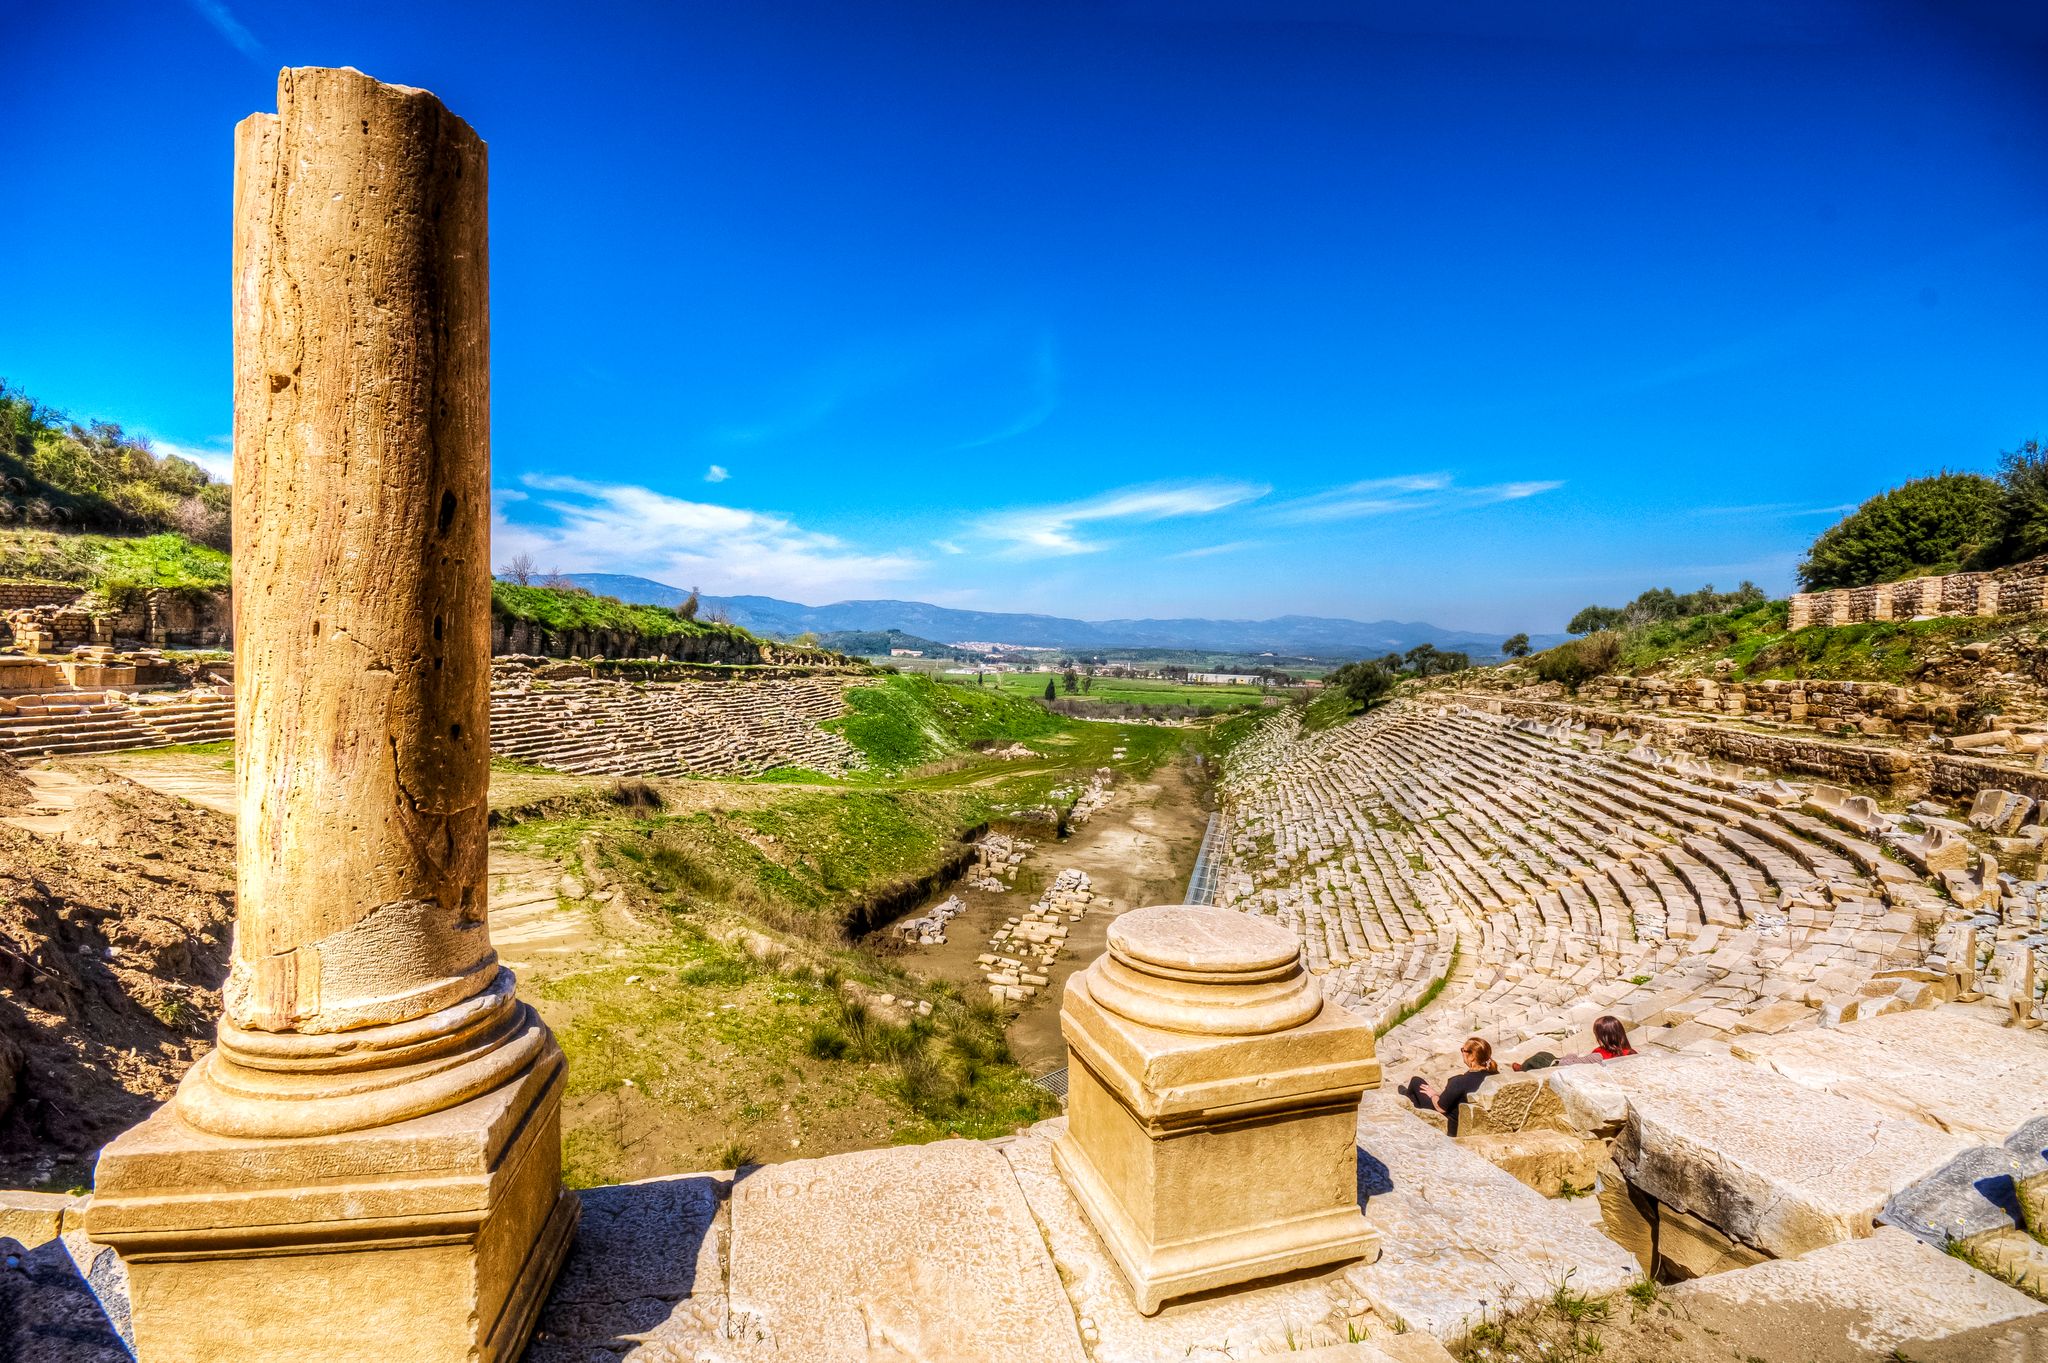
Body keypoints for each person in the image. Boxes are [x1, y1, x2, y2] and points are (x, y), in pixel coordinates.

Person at [1396, 1037, 1498, 1137]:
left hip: (1449, 1124)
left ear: (1472, 1057)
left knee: (1416, 1081)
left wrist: (1433, 1095)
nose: (1462, 1052)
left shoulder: (1460, 1081)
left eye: (1463, 1050)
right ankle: (1408, 1098)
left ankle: (1406, 1098)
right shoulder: (1494, 1077)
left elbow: (1440, 1107)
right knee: (1418, 1094)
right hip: (1474, 1122)